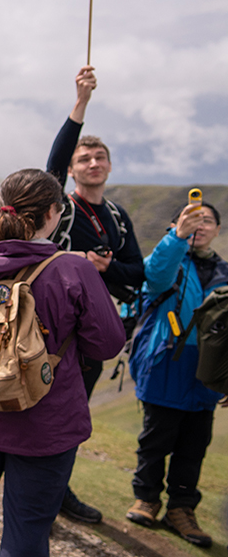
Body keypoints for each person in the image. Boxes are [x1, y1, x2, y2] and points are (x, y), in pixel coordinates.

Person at [0, 169, 125, 557]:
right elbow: (107, 344)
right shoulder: (73, 269)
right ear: (53, 213)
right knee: (28, 528)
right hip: (45, 423)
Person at [44, 65, 143, 523]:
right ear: (73, 169)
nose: (93, 163)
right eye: (84, 159)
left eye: (99, 156)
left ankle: (54, 492)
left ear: (109, 164)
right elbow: (52, 163)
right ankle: (43, 495)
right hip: (59, 330)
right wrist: (80, 103)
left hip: (101, 334)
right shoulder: (62, 207)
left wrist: (106, 266)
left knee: (74, 415)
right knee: (51, 412)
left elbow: (136, 273)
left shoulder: (119, 216)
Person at [125, 202, 228, 546]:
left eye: (207, 221)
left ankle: (181, 509)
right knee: (155, 440)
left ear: (217, 230)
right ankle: (147, 498)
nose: (200, 225)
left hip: (206, 375)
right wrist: (177, 238)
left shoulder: (225, 273)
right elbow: (154, 277)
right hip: (166, 365)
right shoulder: (168, 261)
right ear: (177, 224)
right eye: (191, 220)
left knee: (194, 446)